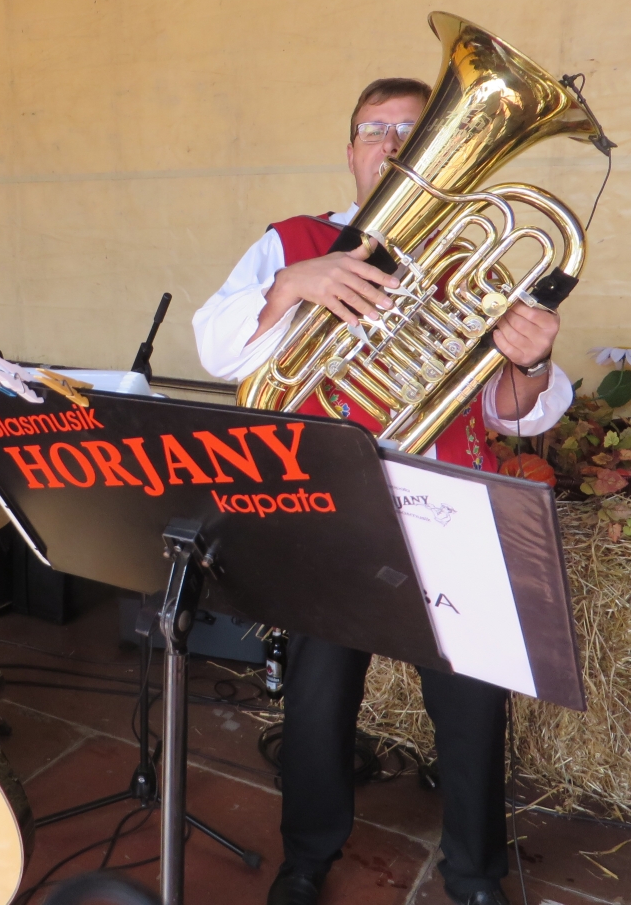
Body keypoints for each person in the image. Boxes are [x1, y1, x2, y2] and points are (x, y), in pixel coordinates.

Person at [192, 78, 573, 905]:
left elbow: (512, 413)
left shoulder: (474, 259)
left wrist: (533, 359)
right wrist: (294, 284)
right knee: (318, 698)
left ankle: (475, 873)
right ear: (351, 150)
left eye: (415, 127)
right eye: (376, 129)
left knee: (472, 706)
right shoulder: (293, 241)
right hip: (327, 515)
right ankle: (306, 857)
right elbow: (216, 349)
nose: (395, 144)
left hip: (446, 512)